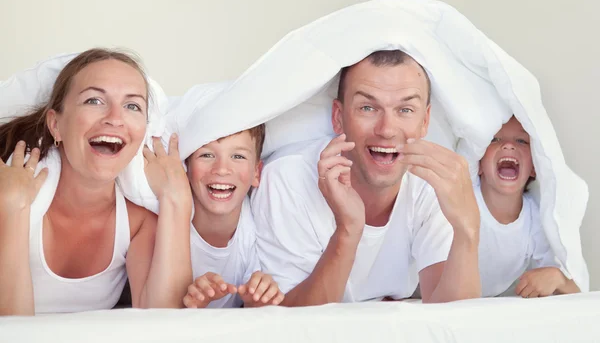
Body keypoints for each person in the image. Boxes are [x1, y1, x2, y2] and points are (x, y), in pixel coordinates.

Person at [251, 50, 481, 305]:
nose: (387, 130)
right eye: (368, 108)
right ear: (338, 118)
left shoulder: (434, 182)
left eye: (405, 110)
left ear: (424, 121)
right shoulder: (287, 180)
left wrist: (467, 230)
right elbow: (286, 321)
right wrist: (348, 230)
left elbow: (454, 317)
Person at [0, 49, 192, 315]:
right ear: (56, 125)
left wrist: (178, 199)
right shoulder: (10, 195)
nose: (115, 118)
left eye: (132, 106)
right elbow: (10, 332)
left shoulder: (139, 223)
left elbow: (164, 323)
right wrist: (10, 209)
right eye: (94, 101)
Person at [181, 124, 284, 308]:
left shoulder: (256, 224)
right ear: (186, 166)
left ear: (256, 172)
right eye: (207, 155)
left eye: (238, 156)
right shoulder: (170, 222)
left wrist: (257, 300)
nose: (221, 169)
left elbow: (251, 308)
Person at [476, 116, 580, 298]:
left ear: (534, 168)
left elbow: (578, 292)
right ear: (479, 164)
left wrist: (557, 278)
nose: (508, 145)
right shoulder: (463, 198)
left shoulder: (535, 220)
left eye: (521, 141)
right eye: (495, 139)